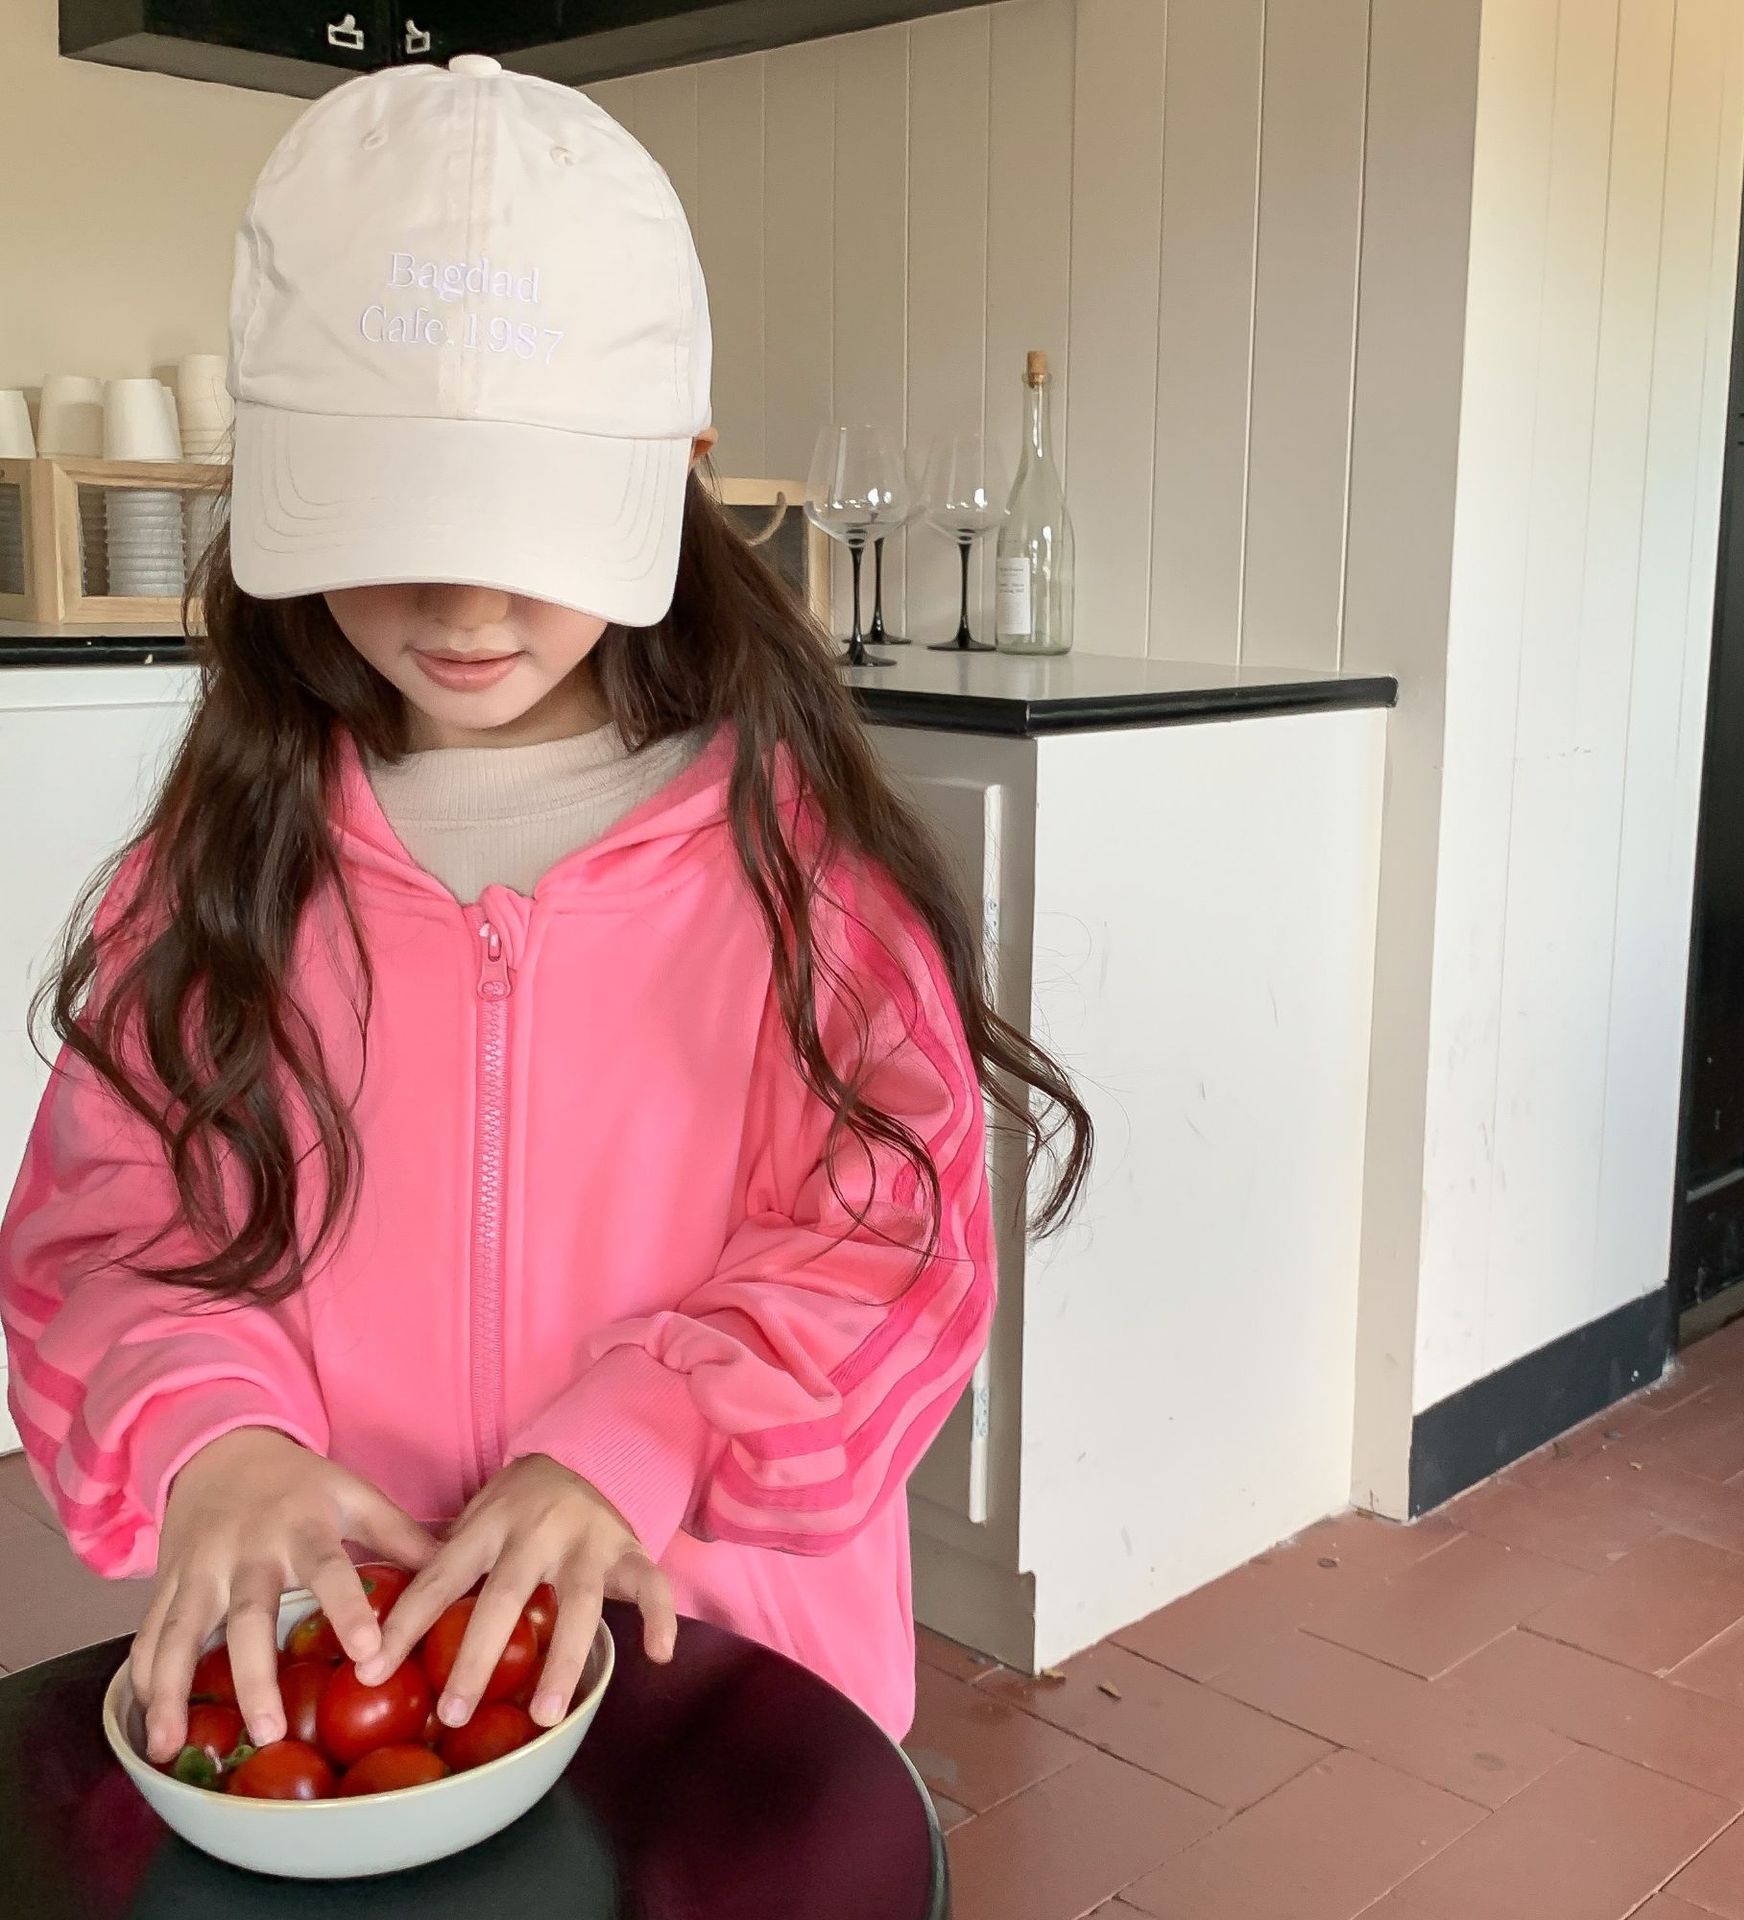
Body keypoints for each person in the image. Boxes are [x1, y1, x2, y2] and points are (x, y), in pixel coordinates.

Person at [0, 54, 1089, 1766]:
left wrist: (646, 1429)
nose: (465, 605)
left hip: (719, 1703)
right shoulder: (221, 873)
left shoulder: (798, 882)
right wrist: (215, 1437)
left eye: (530, 526)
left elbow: (886, 1240)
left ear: (674, 474)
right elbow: (109, 1230)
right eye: (392, 522)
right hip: (370, 1706)